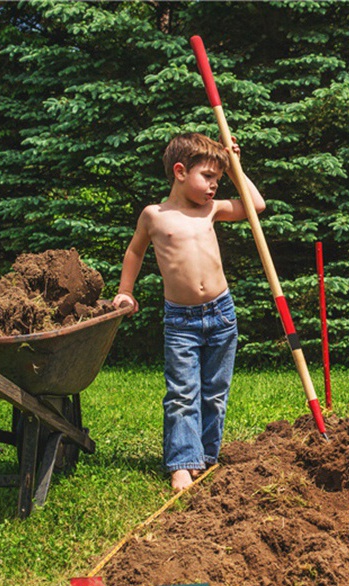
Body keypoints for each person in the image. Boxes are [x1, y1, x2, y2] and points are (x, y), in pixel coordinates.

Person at [114, 132, 265, 491]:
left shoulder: (212, 209)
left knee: (214, 390)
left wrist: (234, 167)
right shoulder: (155, 215)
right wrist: (125, 292)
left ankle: (207, 457)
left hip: (221, 314)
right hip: (181, 320)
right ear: (180, 172)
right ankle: (183, 462)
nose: (213, 186)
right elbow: (135, 252)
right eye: (207, 177)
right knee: (182, 392)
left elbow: (255, 205)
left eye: (217, 178)